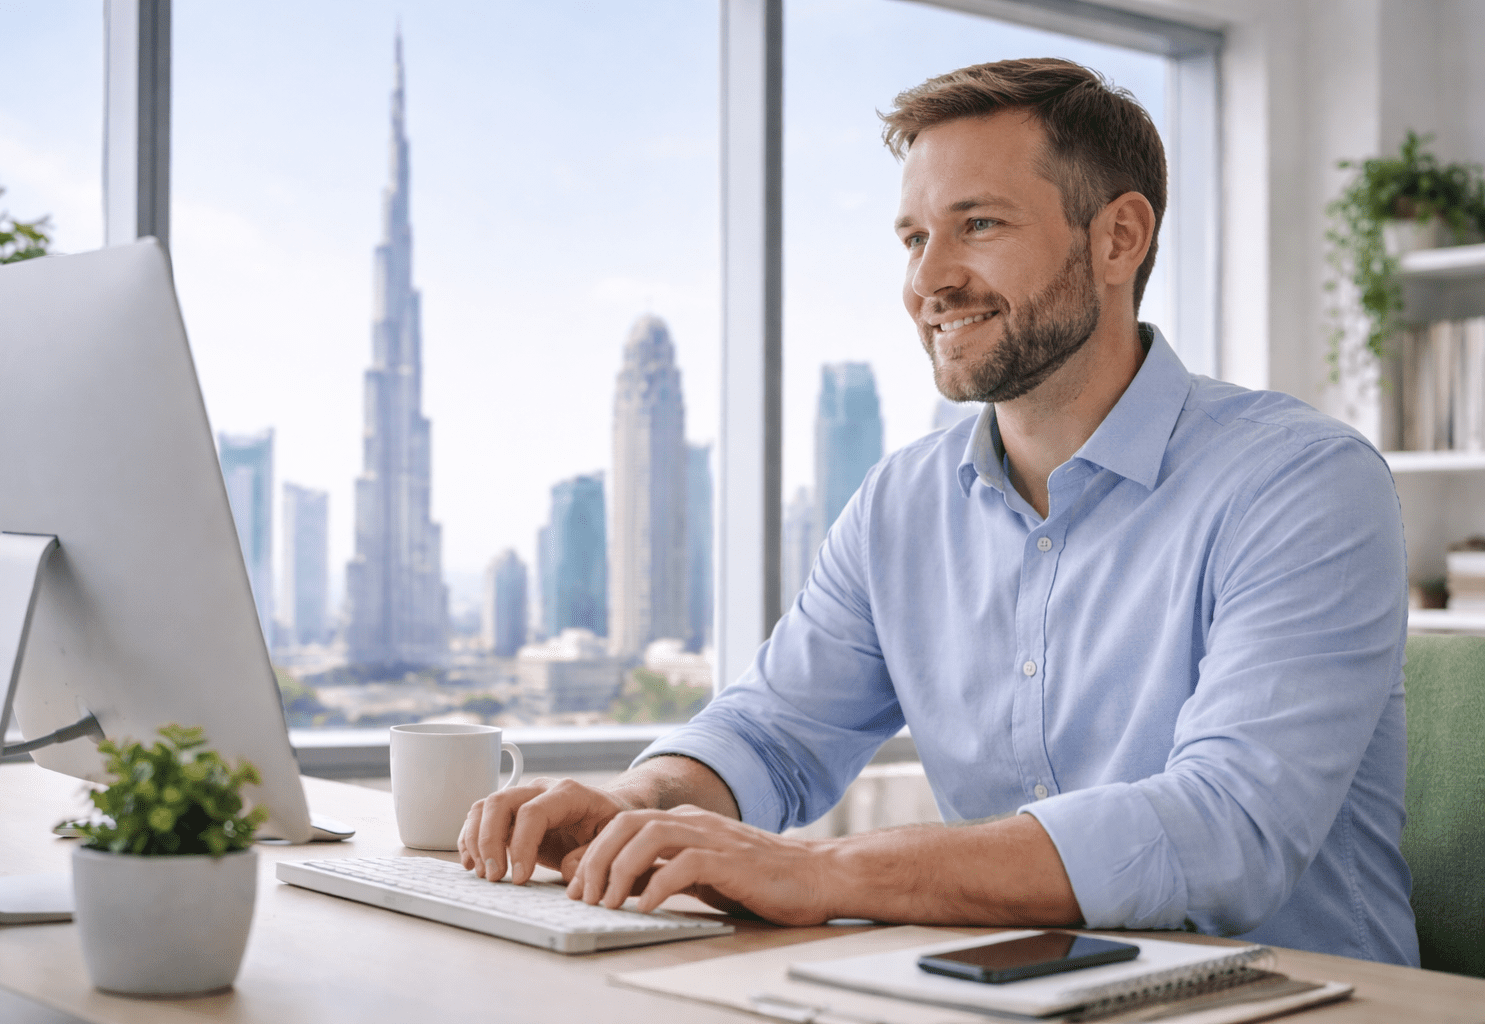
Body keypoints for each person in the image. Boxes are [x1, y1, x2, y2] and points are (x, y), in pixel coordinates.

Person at [461, 58, 1419, 965]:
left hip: (1297, 1000)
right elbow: (770, 736)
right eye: (915, 238)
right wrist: (639, 805)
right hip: (1014, 994)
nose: (928, 282)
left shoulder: (1302, 484)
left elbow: (1225, 832)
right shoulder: (900, 506)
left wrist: (817, 871)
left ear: (1119, 238)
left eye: (980, 225)